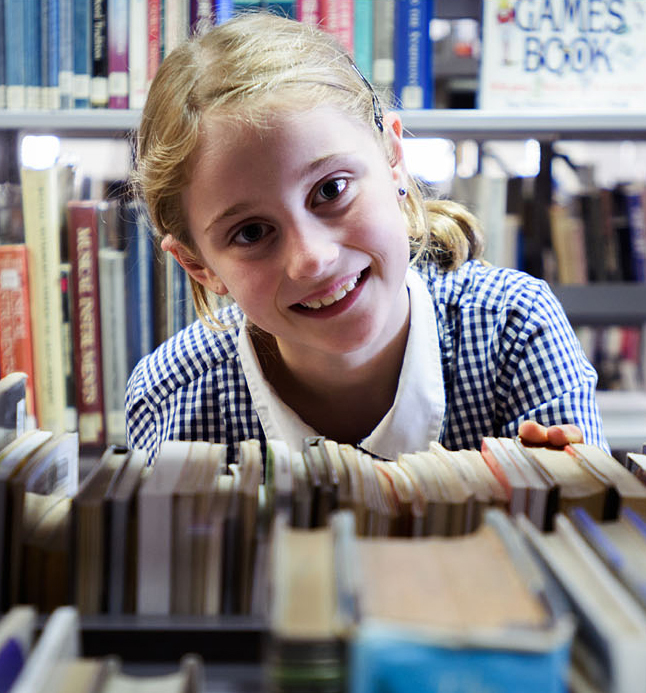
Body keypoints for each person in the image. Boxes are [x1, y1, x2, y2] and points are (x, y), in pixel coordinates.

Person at [125, 11, 606, 469]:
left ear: (394, 158)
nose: (312, 260)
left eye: (330, 190)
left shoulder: (514, 330)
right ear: (198, 265)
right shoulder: (172, 396)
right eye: (251, 233)